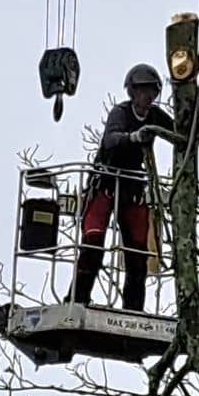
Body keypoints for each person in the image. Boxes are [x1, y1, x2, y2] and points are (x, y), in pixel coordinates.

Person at [69, 63, 174, 310]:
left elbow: (180, 131)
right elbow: (111, 140)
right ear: (132, 93)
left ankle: (133, 309)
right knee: (93, 246)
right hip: (105, 182)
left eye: (151, 92)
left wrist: (194, 119)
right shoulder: (121, 113)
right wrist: (134, 137)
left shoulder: (155, 116)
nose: (146, 97)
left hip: (131, 188)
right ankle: (77, 299)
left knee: (137, 255)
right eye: (141, 91)